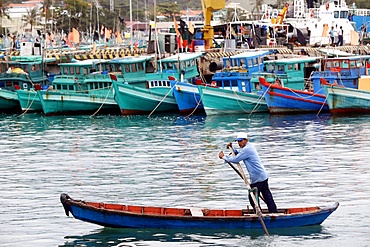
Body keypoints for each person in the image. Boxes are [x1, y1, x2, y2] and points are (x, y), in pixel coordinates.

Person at [218, 132, 278, 213]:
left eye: (240, 141)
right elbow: (240, 153)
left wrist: (224, 157)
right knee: (267, 196)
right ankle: (273, 212)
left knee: (252, 197)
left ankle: (259, 214)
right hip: (263, 175)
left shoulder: (247, 149)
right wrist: (233, 149)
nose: (239, 143)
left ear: (246, 140)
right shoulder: (249, 146)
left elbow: (236, 159)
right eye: (238, 141)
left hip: (257, 178)